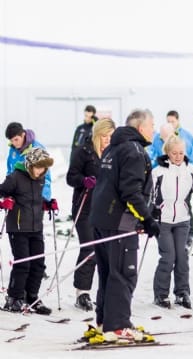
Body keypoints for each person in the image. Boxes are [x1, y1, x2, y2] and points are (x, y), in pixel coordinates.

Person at [89, 109, 160, 342]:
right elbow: (130, 191)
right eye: (151, 125)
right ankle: (117, 326)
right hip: (118, 224)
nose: (154, 130)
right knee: (123, 274)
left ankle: (104, 322)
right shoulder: (135, 151)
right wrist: (147, 218)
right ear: (140, 128)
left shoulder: (114, 147)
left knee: (109, 273)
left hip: (101, 220)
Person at [152, 135, 193, 309]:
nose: (178, 156)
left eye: (181, 153)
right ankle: (161, 294)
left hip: (183, 220)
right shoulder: (158, 172)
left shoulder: (191, 170)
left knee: (182, 257)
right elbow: (150, 194)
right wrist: (152, 208)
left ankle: (182, 292)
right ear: (167, 152)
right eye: (174, 153)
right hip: (163, 221)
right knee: (168, 257)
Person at [66, 118, 116, 311]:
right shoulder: (83, 151)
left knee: (104, 251)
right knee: (90, 249)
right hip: (85, 207)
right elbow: (71, 177)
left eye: (110, 137)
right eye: (104, 137)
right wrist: (84, 180)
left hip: (105, 208)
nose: (107, 140)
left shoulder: (113, 153)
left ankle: (105, 291)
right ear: (97, 135)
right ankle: (82, 292)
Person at [0, 147, 55, 314]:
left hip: (36, 226)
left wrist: (47, 203)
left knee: (38, 264)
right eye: (38, 167)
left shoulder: (41, 178)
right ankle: (14, 298)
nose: (41, 171)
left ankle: (32, 297)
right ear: (30, 165)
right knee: (23, 263)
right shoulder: (15, 177)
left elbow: (35, 199)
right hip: (18, 227)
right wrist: (4, 202)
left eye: (44, 168)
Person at [166, 110, 193, 249]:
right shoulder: (162, 136)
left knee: (185, 203)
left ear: (178, 120)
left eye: (172, 121)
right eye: (168, 121)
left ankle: (188, 234)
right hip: (168, 178)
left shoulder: (186, 136)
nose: (170, 124)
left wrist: (190, 170)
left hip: (184, 176)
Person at [5, 122, 52, 201]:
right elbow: (10, 172)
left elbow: (45, 176)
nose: (14, 143)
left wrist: (43, 197)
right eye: (11, 141)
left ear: (23, 134)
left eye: (16, 139)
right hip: (17, 197)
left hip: (34, 198)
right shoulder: (13, 150)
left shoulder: (37, 148)